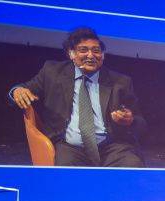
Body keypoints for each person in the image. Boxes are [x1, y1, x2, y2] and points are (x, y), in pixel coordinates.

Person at [9, 27, 146, 167]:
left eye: (96, 51)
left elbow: (140, 122)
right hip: (70, 147)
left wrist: (130, 120)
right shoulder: (52, 72)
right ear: (71, 53)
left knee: (132, 166)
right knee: (66, 175)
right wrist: (17, 91)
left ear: (103, 55)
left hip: (112, 148)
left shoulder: (121, 82)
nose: (91, 55)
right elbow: (25, 88)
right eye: (83, 50)